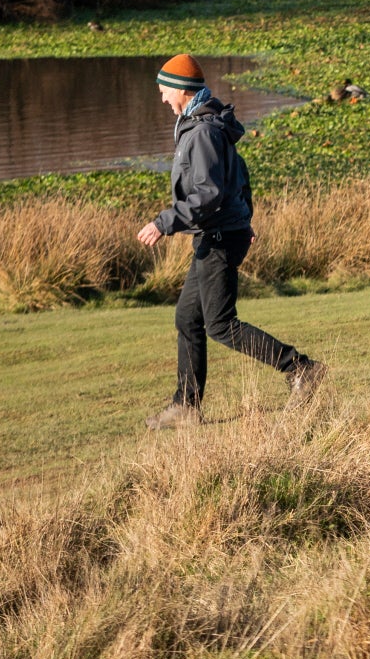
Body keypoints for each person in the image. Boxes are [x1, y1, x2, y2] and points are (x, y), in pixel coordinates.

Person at [136, 54, 324, 430]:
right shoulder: (204, 123)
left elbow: (208, 193)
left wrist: (164, 222)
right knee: (188, 317)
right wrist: (245, 217)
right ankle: (187, 406)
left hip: (220, 236)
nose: (161, 99)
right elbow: (240, 175)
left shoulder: (202, 130)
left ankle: (300, 368)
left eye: (163, 91)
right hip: (222, 231)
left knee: (219, 323)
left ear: (180, 89)